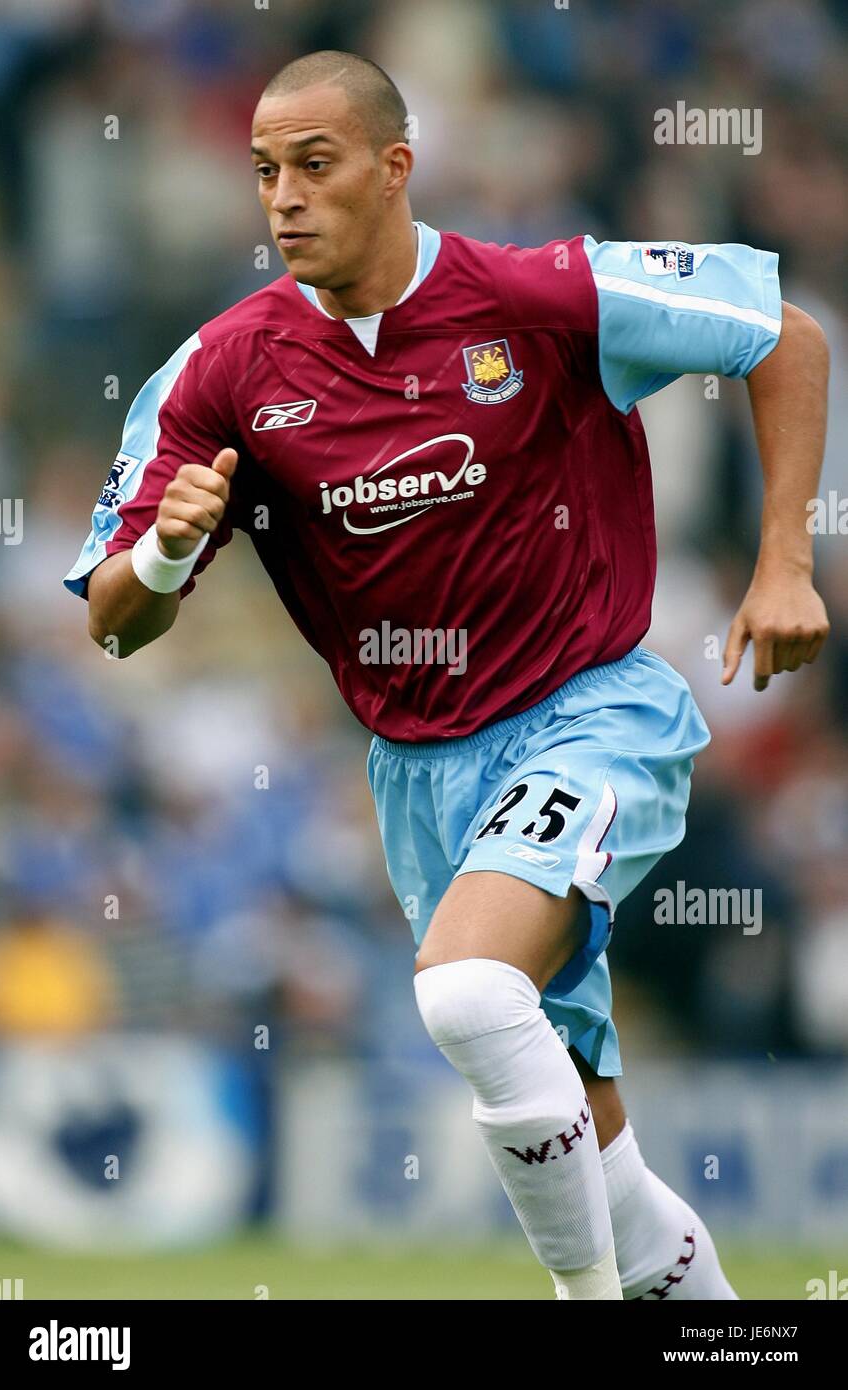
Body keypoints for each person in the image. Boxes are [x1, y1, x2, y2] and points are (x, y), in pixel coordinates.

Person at [65, 51, 830, 1299]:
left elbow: (778, 335)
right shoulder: (217, 375)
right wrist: (164, 545)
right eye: (265, 173)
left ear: (395, 166)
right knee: (598, 1149)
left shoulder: (538, 289)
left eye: (315, 165)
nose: (284, 200)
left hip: (591, 712)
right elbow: (113, 622)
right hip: (421, 778)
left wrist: (782, 559)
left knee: (469, 992)